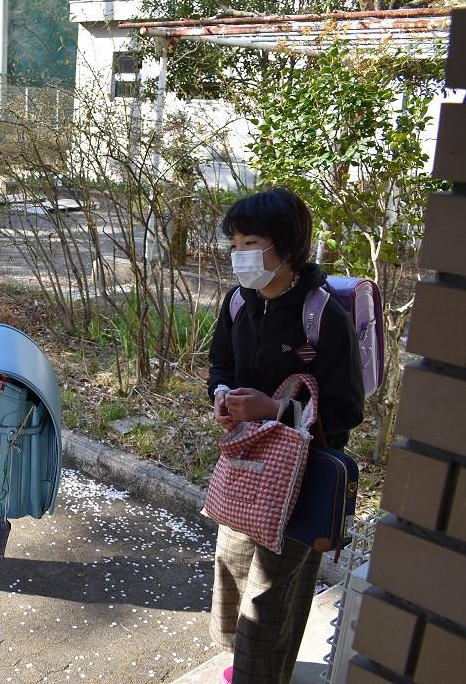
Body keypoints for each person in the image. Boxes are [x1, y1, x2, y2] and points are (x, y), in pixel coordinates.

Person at [208, 187, 364, 684]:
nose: (240, 257)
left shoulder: (322, 316)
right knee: (232, 568)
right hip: (247, 464)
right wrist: (223, 396)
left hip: (304, 473)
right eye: (234, 245)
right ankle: (249, 665)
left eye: (250, 243)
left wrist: (276, 408)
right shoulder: (238, 303)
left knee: (271, 595)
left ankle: (261, 675)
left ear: (288, 247)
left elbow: (345, 409)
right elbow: (220, 366)